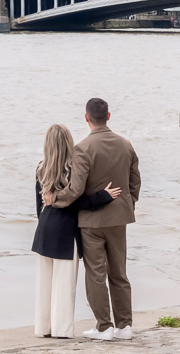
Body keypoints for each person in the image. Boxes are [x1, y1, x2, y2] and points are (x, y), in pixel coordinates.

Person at [46, 98, 141, 341]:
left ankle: (104, 327)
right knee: (119, 273)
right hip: (119, 218)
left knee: (96, 274)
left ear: (86, 118)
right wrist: (128, 204)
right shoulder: (125, 144)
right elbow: (135, 181)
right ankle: (125, 326)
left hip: (91, 222)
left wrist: (54, 198)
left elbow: (75, 190)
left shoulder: (83, 148)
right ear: (108, 116)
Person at [32, 124, 121, 339]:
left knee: (45, 284)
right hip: (66, 232)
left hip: (44, 228)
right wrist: (104, 196)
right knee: (64, 283)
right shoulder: (73, 169)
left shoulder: (41, 168)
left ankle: (42, 328)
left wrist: (45, 223)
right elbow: (76, 202)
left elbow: (38, 206)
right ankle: (61, 330)